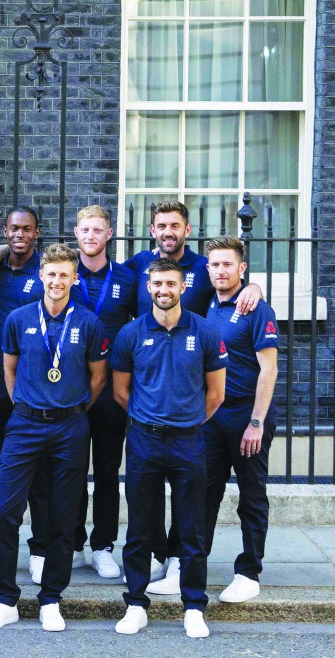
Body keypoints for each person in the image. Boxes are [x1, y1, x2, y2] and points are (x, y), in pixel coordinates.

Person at [125, 201, 259, 594]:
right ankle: (157, 556)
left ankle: (231, 571)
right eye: (161, 225)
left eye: (175, 225)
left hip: (199, 401)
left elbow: (229, 279)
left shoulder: (204, 266)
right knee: (151, 492)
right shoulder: (136, 265)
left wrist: (253, 286)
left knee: (199, 495)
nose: (168, 232)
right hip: (151, 394)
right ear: (152, 229)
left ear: (187, 229)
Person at [0, 244, 107, 632]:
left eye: (64, 274)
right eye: (50, 274)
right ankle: (4, 599)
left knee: (63, 516)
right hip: (25, 424)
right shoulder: (18, 319)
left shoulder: (88, 323)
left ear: (73, 278)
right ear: (42, 277)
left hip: (70, 426)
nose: (56, 281)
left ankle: (51, 597)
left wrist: (72, 409)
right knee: (4, 510)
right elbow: (10, 369)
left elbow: (97, 378)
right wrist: (29, 406)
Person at [111, 257, 227, 639]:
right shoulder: (130, 333)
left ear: (181, 287)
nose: (164, 290)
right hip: (144, 440)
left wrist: (185, 420)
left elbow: (216, 394)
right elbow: (121, 391)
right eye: (157, 284)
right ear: (149, 288)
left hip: (189, 441)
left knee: (192, 530)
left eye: (171, 284)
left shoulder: (206, 332)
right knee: (140, 529)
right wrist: (151, 417)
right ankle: (136, 605)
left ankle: (193, 606)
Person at [0, 207, 53, 581]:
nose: (20, 234)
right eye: (13, 229)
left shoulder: (47, 272)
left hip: (37, 388)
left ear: (37, 233)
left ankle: (40, 548)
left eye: (27, 229)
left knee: (39, 472)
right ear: (4, 231)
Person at [202, 236, 279, 604]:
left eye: (228, 264)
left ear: (242, 268)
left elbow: (269, 369)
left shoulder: (256, 308)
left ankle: (249, 572)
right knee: (204, 495)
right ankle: (192, 567)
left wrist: (257, 422)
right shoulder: (208, 305)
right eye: (215, 264)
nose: (221, 270)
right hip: (213, 416)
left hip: (248, 416)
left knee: (251, 496)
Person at [69, 206, 138, 579]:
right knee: (71, 469)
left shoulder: (128, 278)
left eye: (98, 230)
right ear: (76, 233)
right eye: (85, 230)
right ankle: (74, 543)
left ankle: (104, 545)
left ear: (109, 234)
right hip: (70, 388)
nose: (91, 235)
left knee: (108, 470)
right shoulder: (63, 272)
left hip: (112, 390)